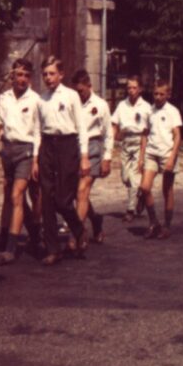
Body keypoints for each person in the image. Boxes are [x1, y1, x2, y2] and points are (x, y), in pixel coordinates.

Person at [36, 56, 89, 266]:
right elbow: (36, 130)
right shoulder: (41, 99)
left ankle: (78, 229)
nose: (48, 78)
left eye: (52, 73)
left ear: (61, 74)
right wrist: (35, 158)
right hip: (47, 146)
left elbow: (82, 128)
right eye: (45, 74)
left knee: (62, 200)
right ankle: (52, 249)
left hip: (67, 146)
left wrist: (84, 156)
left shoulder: (71, 96)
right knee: (46, 199)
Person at [0, 58, 42, 266]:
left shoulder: (36, 100)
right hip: (8, 151)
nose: (22, 79)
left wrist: (36, 158)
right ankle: (34, 235)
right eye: (19, 75)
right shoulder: (3, 98)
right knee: (11, 196)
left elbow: (38, 132)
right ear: (12, 75)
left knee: (16, 195)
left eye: (27, 76)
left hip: (26, 151)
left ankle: (10, 248)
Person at [137, 79, 183, 239]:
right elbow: (145, 134)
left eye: (161, 94)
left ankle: (167, 225)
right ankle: (153, 222)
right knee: (144, 187)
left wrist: (172, 158)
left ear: (168, 95)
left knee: (167, 190)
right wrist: (141, 157)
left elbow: (177, 136)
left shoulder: (173, 111)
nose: (157, 97)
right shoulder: (149, 111)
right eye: (155, 93)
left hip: (167, 154)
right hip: (151, 153)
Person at [73, 71, 114, 244]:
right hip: (74, 149)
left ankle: (76, 235)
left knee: (82, 190)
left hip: (93, 149)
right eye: (76, 91)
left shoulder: (101, 105)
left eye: (81, 91)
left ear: (89, 86)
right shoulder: (72, 103)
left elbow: (108, 133)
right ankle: (96, 220)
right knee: (78, 195)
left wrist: (107, 158)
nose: (79, 94)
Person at [110, 75, 151, 222]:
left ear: (140, 89)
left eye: (134, 87)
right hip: (125, 141)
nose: (131, 90)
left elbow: (147, 131)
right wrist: (111, 144)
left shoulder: (146, 108)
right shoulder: (122, 105)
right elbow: (114, 124)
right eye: (129, 87)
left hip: (140, 141)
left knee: (134, 176)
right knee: (125, 177)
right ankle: (139, 194)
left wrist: (142, 156)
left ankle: (130, 209)